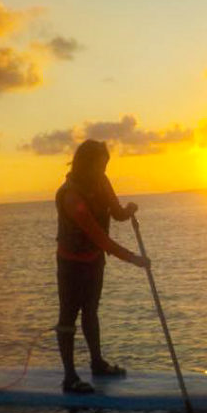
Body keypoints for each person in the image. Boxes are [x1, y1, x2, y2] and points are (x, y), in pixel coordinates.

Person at [55, 139, 149, 393]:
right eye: (99, 165)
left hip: (94, 260)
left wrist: (127, 210)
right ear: (86, 165)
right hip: (71, 264)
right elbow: (101, 239)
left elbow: (116, 213)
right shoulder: (72, 197)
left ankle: (97, 363)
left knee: (91, 310)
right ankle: (70, 377)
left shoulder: (102, 182)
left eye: (105, 166)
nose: (103, 171)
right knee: (68, 317)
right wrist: (134, 259)